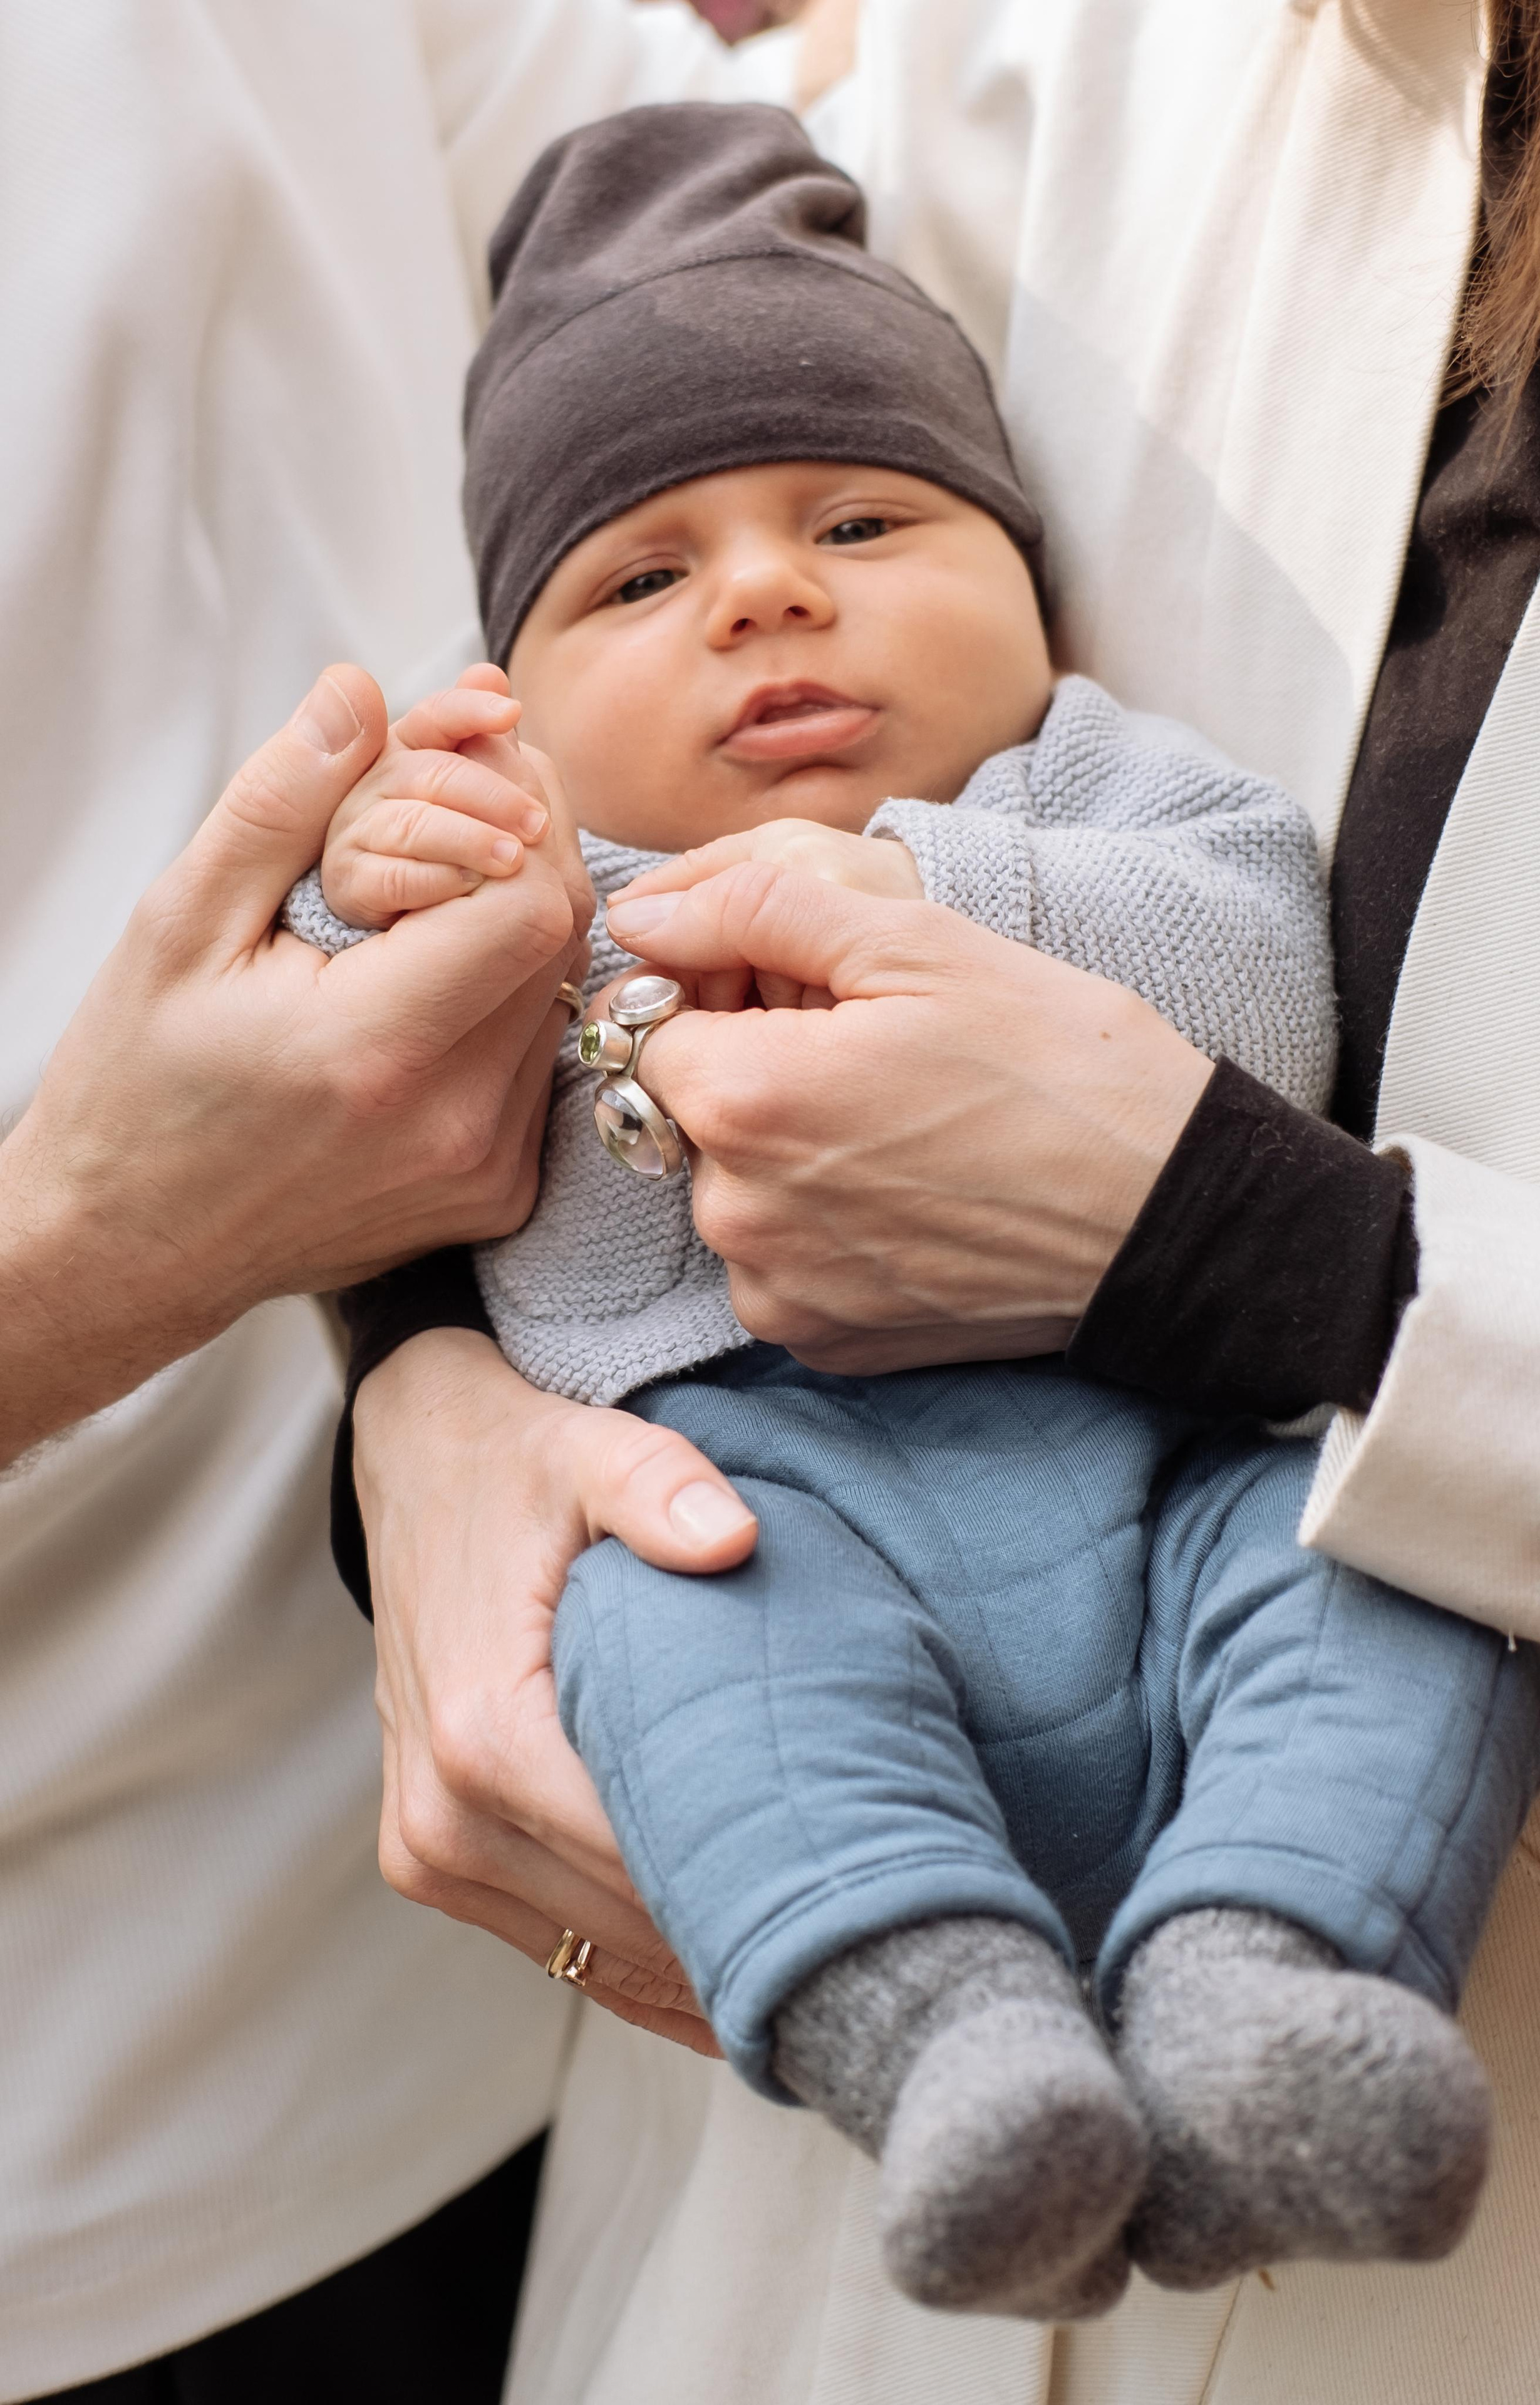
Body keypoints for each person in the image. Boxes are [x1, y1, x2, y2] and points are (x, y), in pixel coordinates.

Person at [336, 3, 1540, 2401]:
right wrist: (419, 1380)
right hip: (783, 2141)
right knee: (713, 1654)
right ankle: (932, 2025)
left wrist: (1285, 1259)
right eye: (648, 581)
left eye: (857, 528)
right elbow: (320, 1036)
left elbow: (1233, 941)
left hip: (1498, 2178)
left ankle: (1282, 1972)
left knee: (1390, 1612)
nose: (769, 601)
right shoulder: (1069, 59)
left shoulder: (1083, 799)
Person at [0, 5, 839, 2395]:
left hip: (590, 1939)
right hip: (87, 2185)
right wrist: (101, 1258)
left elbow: (715, 207)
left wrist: (429, 1356)